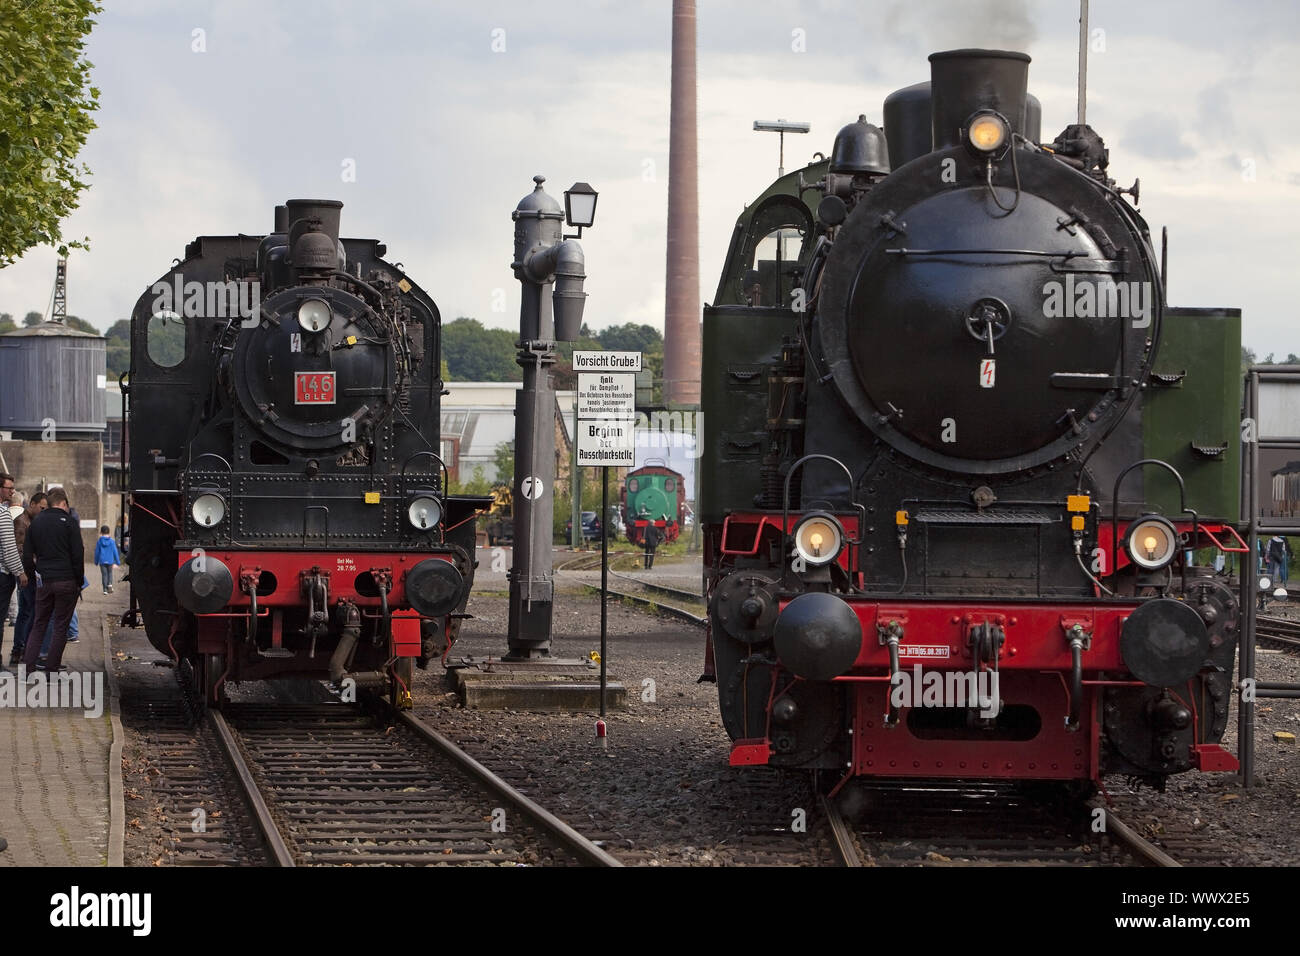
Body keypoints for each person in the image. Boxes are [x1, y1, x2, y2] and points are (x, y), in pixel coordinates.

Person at [21, 487, 83, 674]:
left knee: (39, 624)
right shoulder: (70, 523)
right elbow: (78, 554)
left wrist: (33, 576)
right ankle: (51, 669)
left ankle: (28, 669)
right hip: (66, 580)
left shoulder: (36, 523)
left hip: (44, 581)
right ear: (63, 503)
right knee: (60, 626)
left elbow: (26, 555)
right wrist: (78, 581)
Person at [10, 492, 47, 665]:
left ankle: (19, 650)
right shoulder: (22, 522)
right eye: (41, 507)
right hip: (26, 575)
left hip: (28, 573)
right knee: (30, 612)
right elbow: (19, 550)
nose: (43, 511)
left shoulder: (32, 522)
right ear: (32, 504)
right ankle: (25, 651)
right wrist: (23, 572)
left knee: (25, 612)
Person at [0, 474, 25, 666]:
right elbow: (9, 548)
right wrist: (20, 572)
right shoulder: (3, 514)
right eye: (9, 488)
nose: (12, 491)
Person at [95, 525, 122, 594]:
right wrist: (118, 562)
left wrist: (96, 561)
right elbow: (115, 552)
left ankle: (104, 590)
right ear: (109, 532)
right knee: (110, 573)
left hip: (102, 561)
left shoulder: (99, 542)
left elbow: (97, 552)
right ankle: (110, 584)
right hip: (110, 560)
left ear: (101, 532)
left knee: (104, 575)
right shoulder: (112, 541)